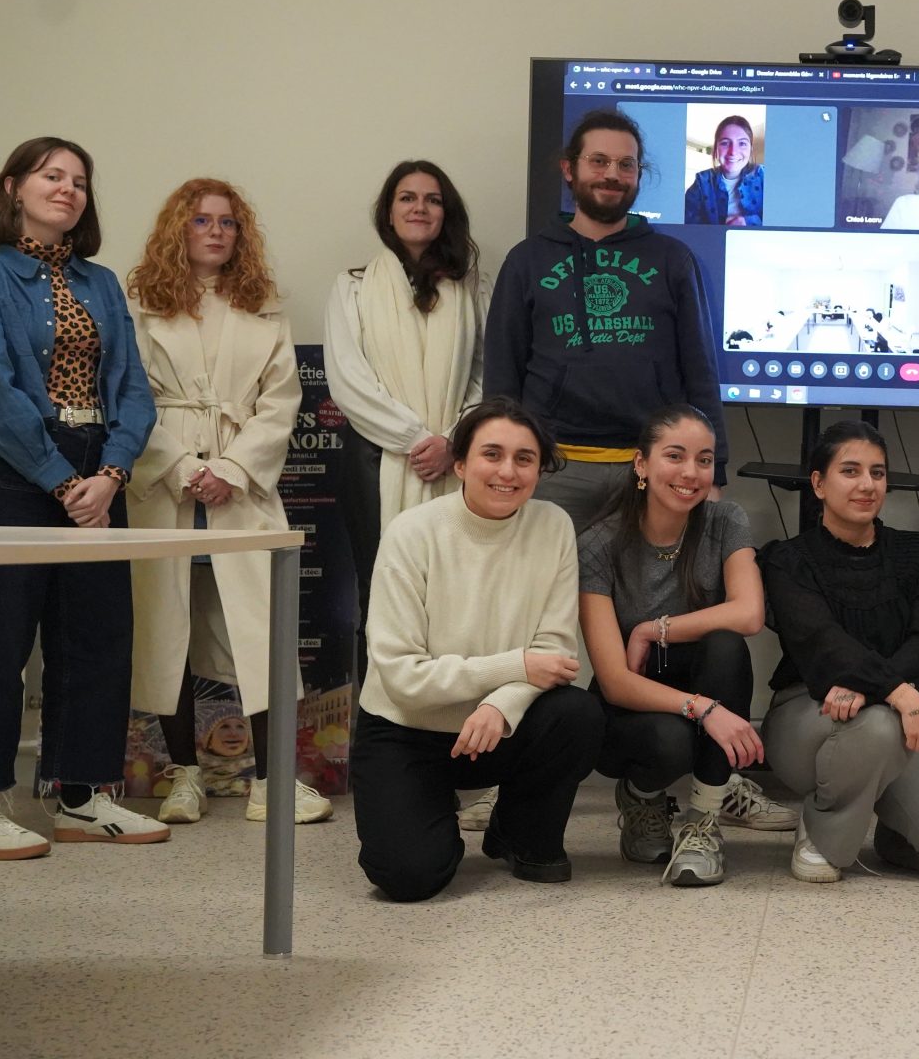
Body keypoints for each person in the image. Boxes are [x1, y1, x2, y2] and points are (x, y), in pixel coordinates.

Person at [0, 136, 168, 859]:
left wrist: (111, 474)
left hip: (100, 470)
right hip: (13, 470)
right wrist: (60, 480)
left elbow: (133, 389)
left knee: (97, 635)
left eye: (80, 181)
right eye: (51, 176)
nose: (68, 189)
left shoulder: (101, 285)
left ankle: (83, 796)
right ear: (13, 187)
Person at [124, 178, 330, 825]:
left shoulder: (263, 307)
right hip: (167, 488)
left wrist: (234, 469)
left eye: (228, 223)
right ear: (176, 231)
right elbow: (130, 397)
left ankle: (274, 782)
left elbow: (282, 401)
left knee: (261, 632)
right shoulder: (141, 308)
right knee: (167, 630)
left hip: (240, 491)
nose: (216, 231)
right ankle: (184, 775)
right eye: (201, 221)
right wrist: (182, 467)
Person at [350, 398, 603, 900]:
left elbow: (553, 651)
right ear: (461, 463)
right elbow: (402, 675)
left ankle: (518, 832)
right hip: (407, 728)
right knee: (407, 877)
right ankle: (429, 810)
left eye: (524, 459)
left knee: (578, 713)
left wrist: (498, 704)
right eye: (492, 454)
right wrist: (515, 666)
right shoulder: (411, 532)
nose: (507, 471)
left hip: (496, 725)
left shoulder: (552, 526)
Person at [760, 421, 919, 884]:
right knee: (875, 726)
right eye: (849, 471)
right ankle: (823, 830)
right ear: (818, 483)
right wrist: (896, 692)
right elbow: (820, 642)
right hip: (810, 716)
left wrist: (878, 691)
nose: (866, 484)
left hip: (899, 716)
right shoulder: (787, 560)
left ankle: (897, 834)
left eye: (877, 472)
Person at [578, 404, 793, 887]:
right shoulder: (597, 543)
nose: (690, 473)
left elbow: (748, 613)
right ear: (641, 464)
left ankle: (703, 821)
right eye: (674, 456)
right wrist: (702, 709)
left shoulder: (723, 520)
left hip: (704, 678)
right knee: (671, 740)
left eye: (703, 460)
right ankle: (640, 797)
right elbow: (614, 681)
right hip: (633, 708)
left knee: (724, 644)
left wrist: (651, 629)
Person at [485, 110, 729, 529]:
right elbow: (502, 374)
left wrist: (715, 468)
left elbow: (700, 371)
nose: (612, 174)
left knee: (648, 593)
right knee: (550, 593)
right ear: (569, 169)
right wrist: (499, 462)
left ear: (638, 173)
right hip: (552, 469)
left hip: (651, 468)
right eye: (599, 161)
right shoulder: (527, 260)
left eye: (625, 164)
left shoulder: (673, 259)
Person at [323, 160, 488, 694]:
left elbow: (485, 375)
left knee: (460, 597)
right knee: (384, 594)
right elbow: (349, 380)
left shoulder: (471, 289)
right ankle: (389, 723)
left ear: (447, 212)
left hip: (458, 463)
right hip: (377, 464)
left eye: (432, 199)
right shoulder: (351, 288)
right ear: (388, 212)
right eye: (407, 198)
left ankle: (456, 732)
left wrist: (453, 441)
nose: (420, 208)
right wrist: (418, 440)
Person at [684, 114, 763, 226]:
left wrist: (749, 222)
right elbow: (685, 223)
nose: (733, 152)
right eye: (725, 143)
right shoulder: (701, 181)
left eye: (742, 143)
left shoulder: (764, 176)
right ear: (716, 148)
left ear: (751, 149)